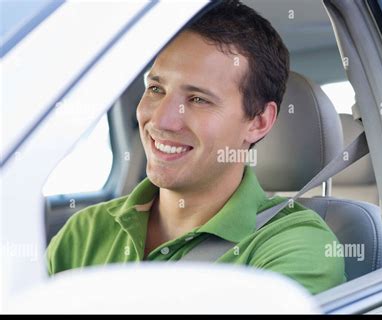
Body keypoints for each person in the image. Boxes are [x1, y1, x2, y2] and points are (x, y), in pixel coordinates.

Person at [47, 0, 345, 295]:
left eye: (198, 99)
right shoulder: (85, 232)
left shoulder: (296, 246)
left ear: (258, 122)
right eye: (156, 89)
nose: (162, 120)